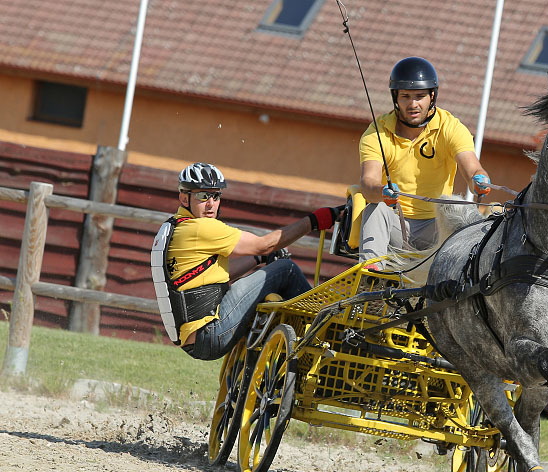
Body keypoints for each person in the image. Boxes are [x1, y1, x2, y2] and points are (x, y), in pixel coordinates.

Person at [154, 162, 342, 361]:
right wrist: (314, 221)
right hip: (210, 333)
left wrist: (258, 259)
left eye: (216, 196)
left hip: (197, 340)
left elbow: (217, 274)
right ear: (184, 198)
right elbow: (265, 244)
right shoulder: (199, 228)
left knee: (266, 284)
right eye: (202, 195)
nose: (210, 203)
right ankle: (327, 333)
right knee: (286, 270)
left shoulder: (173, 227)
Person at [358, 57, 491, 266]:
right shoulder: (377, 132)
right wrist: (382, 192)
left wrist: (479, 180)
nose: (413, 104)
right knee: (375, 209)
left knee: (459, 207)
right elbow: (368, 182)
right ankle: (371, 274)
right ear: (396, 98)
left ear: (432, 96)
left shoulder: (451, 127)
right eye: (406, 97)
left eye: (420, 96)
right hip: (395, 225)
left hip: (437, 228)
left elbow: (472, 167)